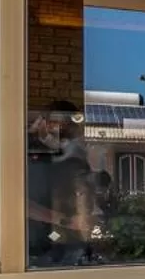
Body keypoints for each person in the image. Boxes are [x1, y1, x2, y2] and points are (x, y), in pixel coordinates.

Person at [26, 101, 96, 266]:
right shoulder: (31, 158)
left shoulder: (73, 157)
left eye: (69, 124)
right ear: (43, 124)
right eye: (54, 123)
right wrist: (65, 220)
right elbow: (17, 203)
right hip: (39, 246)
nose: (59, 129)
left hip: (70, 242)